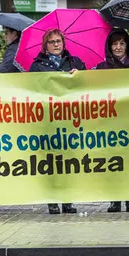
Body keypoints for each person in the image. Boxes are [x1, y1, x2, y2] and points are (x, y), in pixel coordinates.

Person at [29, 29, 84, 214]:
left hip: (70, 121)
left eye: (58, 41)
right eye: (51, 42)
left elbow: (89, 87)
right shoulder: (36, 66)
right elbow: (30, 91)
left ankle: (68, 200)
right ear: (46, 45)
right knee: (51, 161)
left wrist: (80, 76)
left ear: (63, 43)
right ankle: (52, 200)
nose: (56, 44)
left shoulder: (75, 62)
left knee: (68, 160)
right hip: (48, 120)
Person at [94, 28, 129, 213]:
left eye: (122, 43)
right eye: (115, 44)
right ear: (109, 46)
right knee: (112, 161)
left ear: (127, 46)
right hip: (110, 121)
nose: (118, 47)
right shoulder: (101, 68)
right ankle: (114, 199)